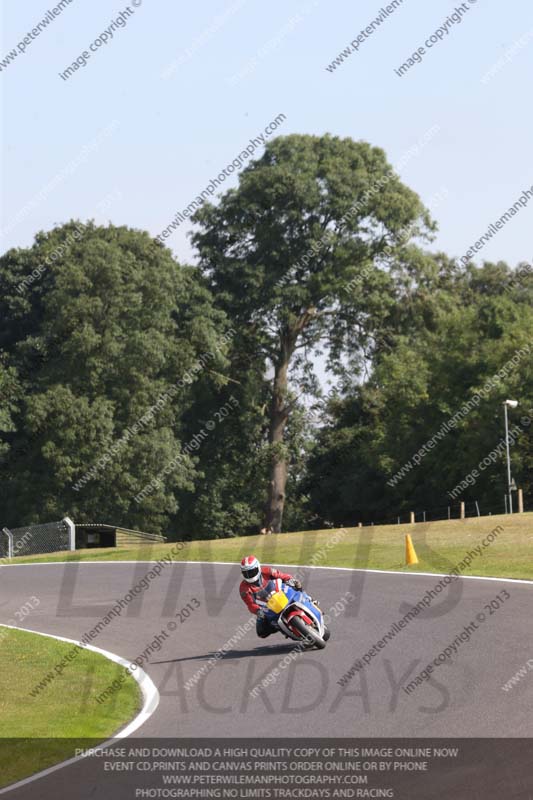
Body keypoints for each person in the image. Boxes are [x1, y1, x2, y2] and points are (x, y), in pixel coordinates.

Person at [239, 554, 302, 638]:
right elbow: (250, 604)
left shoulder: (267, 571)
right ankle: (281, 627)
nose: (249, 575)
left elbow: (282, 576)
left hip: (280, 592)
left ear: (258, 568)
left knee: (297, 585)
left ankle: (307, 599)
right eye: (246, 573)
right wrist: (258, 611)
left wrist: (290, 579)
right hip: (266, 606)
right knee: (261, 632)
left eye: (251, 571)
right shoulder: (243, 588)